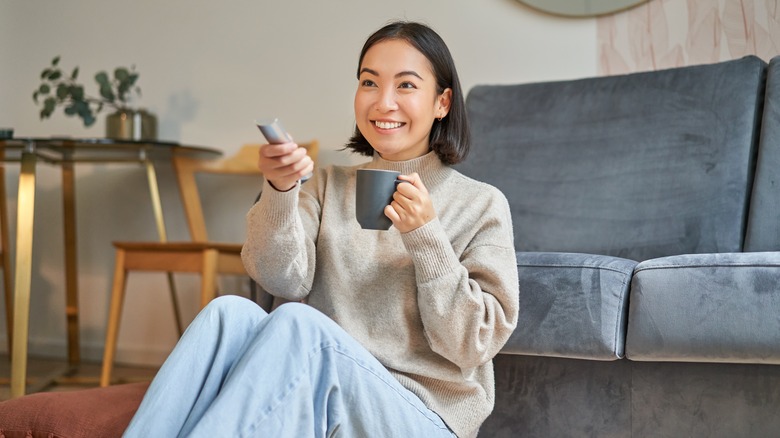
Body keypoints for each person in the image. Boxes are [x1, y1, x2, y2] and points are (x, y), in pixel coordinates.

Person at [123, 21, 518, 438]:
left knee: (301, 325)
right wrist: (280, 191)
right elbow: (280, 279)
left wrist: (426, 237)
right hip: (319, 387)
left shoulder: (482, 204)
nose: (383, 102)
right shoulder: (329, 185)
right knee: (229, 313)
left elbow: (472, 344)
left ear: (442, 102)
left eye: (405, 86)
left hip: (421, 416)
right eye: (369, 82)